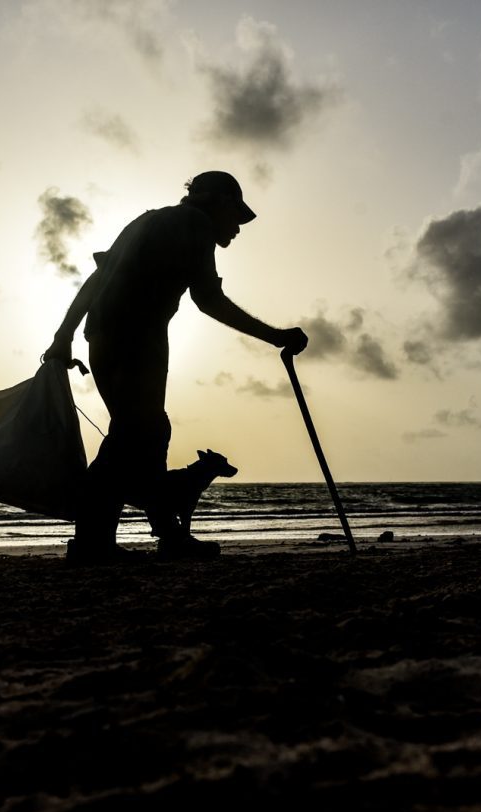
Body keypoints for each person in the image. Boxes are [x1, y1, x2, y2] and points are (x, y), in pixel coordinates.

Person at [42, 171, 308, 563]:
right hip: (137, 340)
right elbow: (208, 300)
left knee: (144, 433)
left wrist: (63, 335)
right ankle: (96, 544)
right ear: (217, 202)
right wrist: (276, 336)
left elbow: (97, 280)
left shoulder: (147, 220)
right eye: (235, 215)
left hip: (102, 338)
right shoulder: (195, 225)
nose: (237, 227)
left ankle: (161, 535)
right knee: (134, 435)